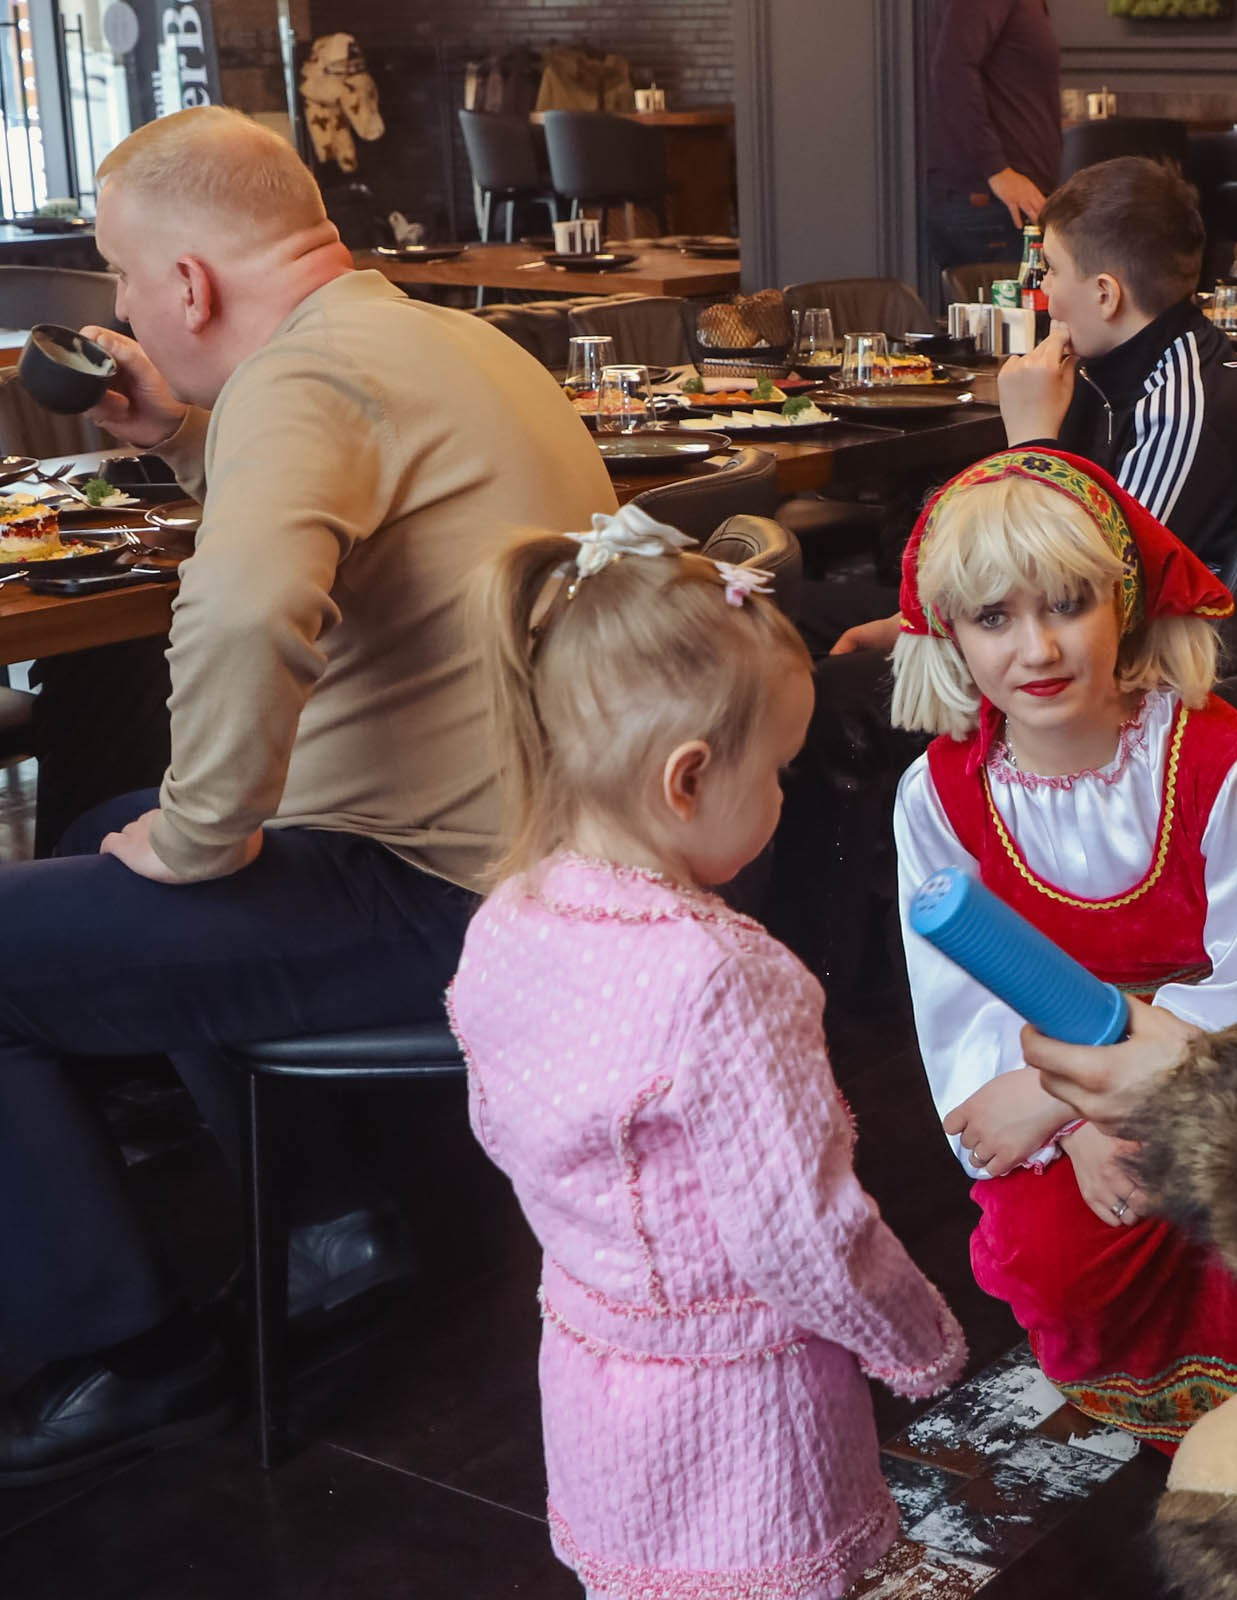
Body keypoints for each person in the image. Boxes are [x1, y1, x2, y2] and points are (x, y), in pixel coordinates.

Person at [0, 105, 616, 1483]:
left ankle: (125, 1355)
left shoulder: (306, 379)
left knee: (95, 887)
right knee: (109, 835)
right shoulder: (440, 338)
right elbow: (347, 522)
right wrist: (187, 439)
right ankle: (336, 1226)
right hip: (544, 858)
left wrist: (209, 835)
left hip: (446, 903)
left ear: (186, 286)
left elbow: (242, 610)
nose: (120, 307)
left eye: (118, 274)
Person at [449, 507, 964, 1600]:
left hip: (594, 1369)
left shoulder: (508, 917)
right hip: (744, 1403)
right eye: (778, 770)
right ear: (686, 780)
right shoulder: (725, 974)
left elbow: (501, 1123)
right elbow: (802, 1234)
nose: (786, 795)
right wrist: (916, 1337)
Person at [888, 447, 1237, 1446]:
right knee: (1057, 1252)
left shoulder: (1228, 763)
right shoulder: (936, 795)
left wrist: (1088, 1092)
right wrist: (1075, 1123)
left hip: (1228, 1066)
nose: (1038, 649)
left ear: (1125, 603)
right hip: (1049, 1081)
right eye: (994, 619)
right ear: (951, 637)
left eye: (1067, 604)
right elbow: (958, 1005)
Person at [800, 156, 1237, 664]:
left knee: (820, 693)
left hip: (1094, 679)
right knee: (783, 613)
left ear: (1105, 294)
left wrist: (1030, 443)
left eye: (1052, 270)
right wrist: (913, 621)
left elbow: (1082, 597)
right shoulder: (1111, 371)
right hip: (1033, 632)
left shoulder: (1175, 409)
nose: (1047, 296)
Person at [919, 0, 1060, 280]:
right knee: (1005, 323)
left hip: (1005, 207)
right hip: (992, 207)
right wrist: (997, 170)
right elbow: (952, 69)